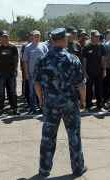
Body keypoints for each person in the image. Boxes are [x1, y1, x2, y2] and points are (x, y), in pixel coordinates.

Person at [34, 28, 87, 178]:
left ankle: (44, 170)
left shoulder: (43, 59)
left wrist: (41, 99)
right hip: (70, 104)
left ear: (52, 40)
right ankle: (78, 168)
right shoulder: (72, 59)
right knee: (74, 136)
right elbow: (81, 85)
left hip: (50, 105)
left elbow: (37, 84)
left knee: (48, 138)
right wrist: (83, 101)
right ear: (63, 40)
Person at [23, 30, 48, 114]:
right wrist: (26, 73)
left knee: (42, 91)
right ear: (32, 37)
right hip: (32, 74)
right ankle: (32, 108)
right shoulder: (28, 47)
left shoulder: (43, 46)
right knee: (32, 92)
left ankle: (42, 107)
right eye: (35, 36)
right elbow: (25, 61)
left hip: (42, 73)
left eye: (38, 36)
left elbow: (47, 59)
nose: (37, 37)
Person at [0, 30, 19, 115]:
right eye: (3, 37)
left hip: (11, 73)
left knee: (12, 91)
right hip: (1, 73)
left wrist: (15, 70)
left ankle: (14, 108)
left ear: (8, 37)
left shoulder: (13, 47)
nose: (5, 38)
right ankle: (0, 108)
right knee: (1, 92)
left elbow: (16, 59)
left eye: (6, 37)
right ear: (1, 38)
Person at [83, 30, 106, 110]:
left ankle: (99, 105)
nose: (97, 38)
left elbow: (103, 60)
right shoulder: (86, 47)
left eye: (98, 36)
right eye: (96, 36)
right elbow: (84, 61)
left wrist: (104, 70)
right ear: (91, 37)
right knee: (89, 89)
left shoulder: (101, 47)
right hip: (89, 72)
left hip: (99, 71)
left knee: (99, 88)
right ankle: (88, 105)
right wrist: (85, 72)